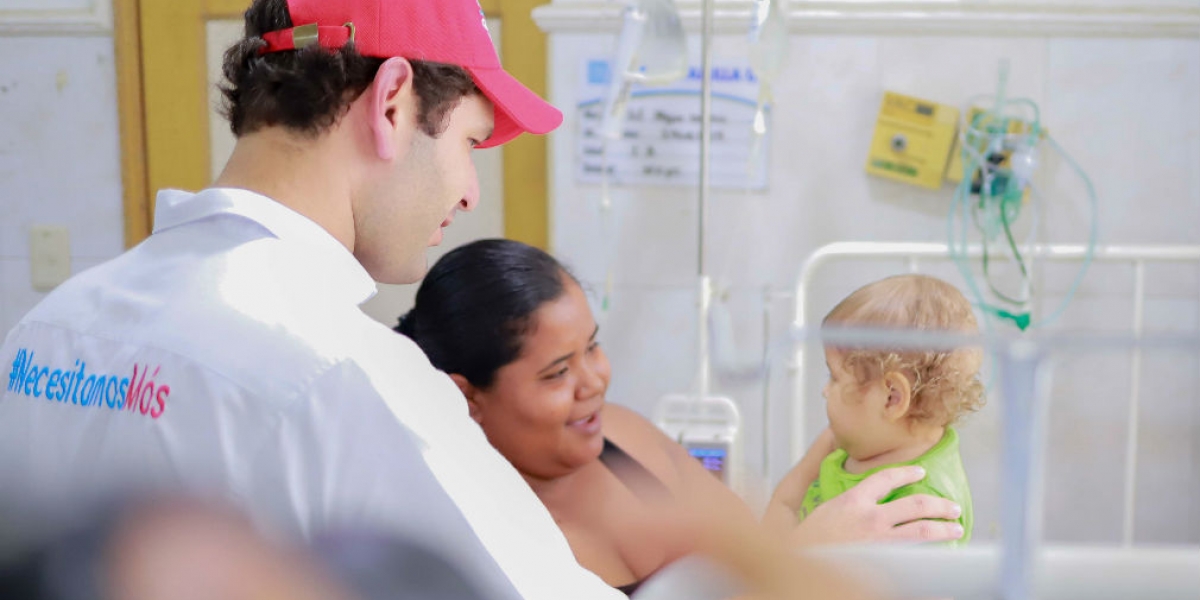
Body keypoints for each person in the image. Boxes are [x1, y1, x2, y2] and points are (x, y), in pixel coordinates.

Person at [0, 0, 616, 598]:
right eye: (470, 144)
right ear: (393, 104)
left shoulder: (48, 328)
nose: (469, 194)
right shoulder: (341, 374)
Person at [397, 240, 970, 595]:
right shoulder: (487, 536)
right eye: (556, 373)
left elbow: (749, 547)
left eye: (592, 348)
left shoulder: (624, 438)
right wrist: (809, 557)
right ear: (468, 396)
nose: (594, 381)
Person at [765, 275, 984, 546]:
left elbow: (931, 588)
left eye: (833, 376)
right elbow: (783, 504)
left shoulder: (924, 508)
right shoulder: (845, 441)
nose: (824, 390)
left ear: (891, 397)